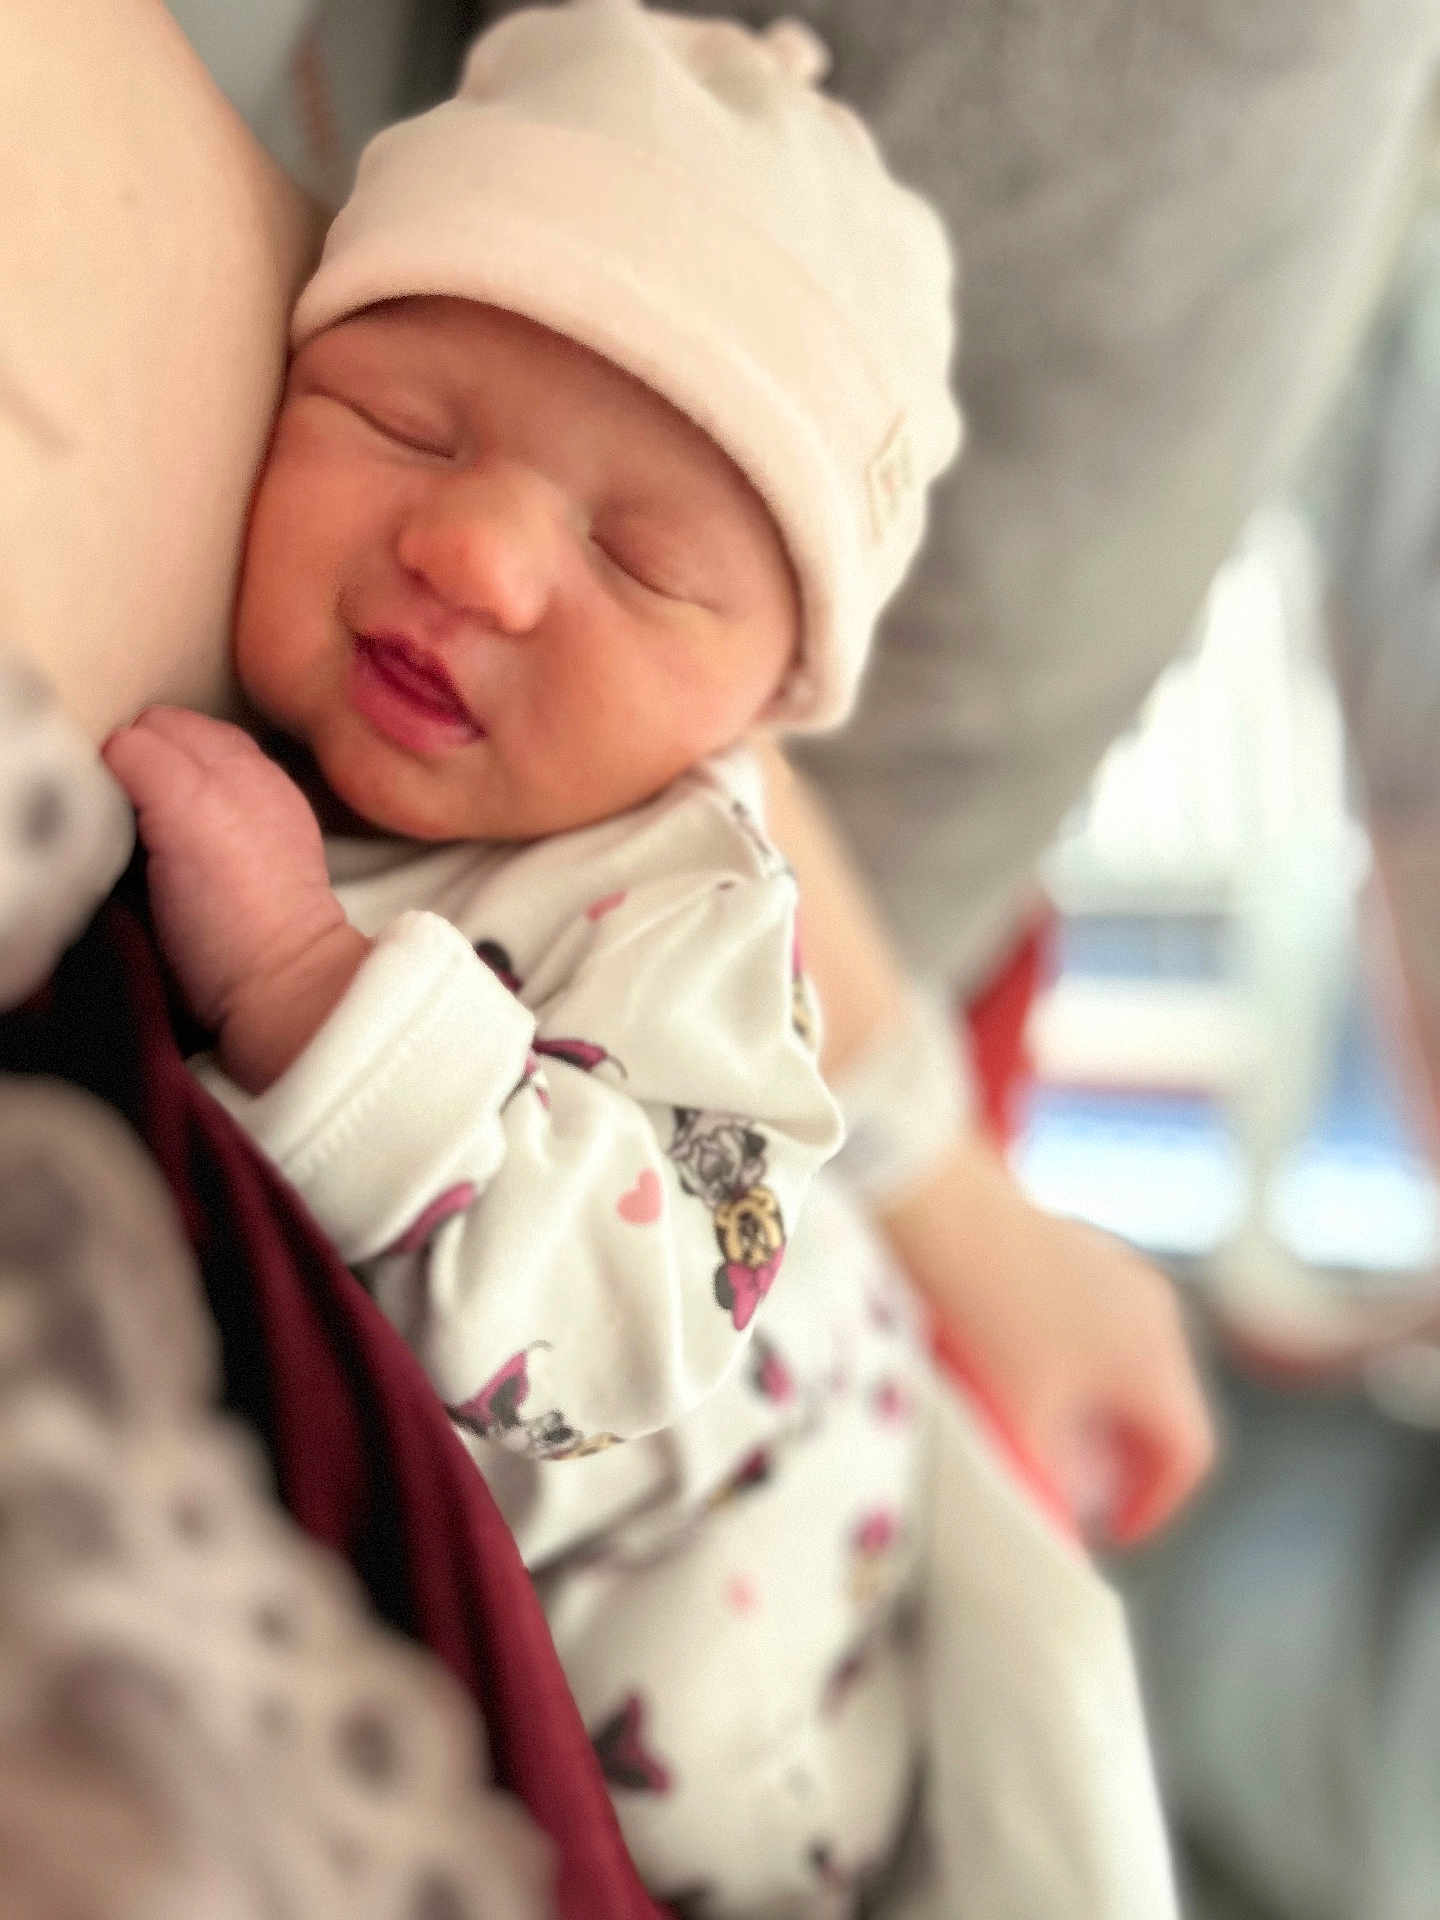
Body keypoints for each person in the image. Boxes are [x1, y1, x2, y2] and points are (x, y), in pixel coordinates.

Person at [99, 4, 1194, 1910]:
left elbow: (618, 1327)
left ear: (754, 711)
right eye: (398, 420)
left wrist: (295, 976)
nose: (483, 557)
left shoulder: (693, 921)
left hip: (777, 1674)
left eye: (641, 560)